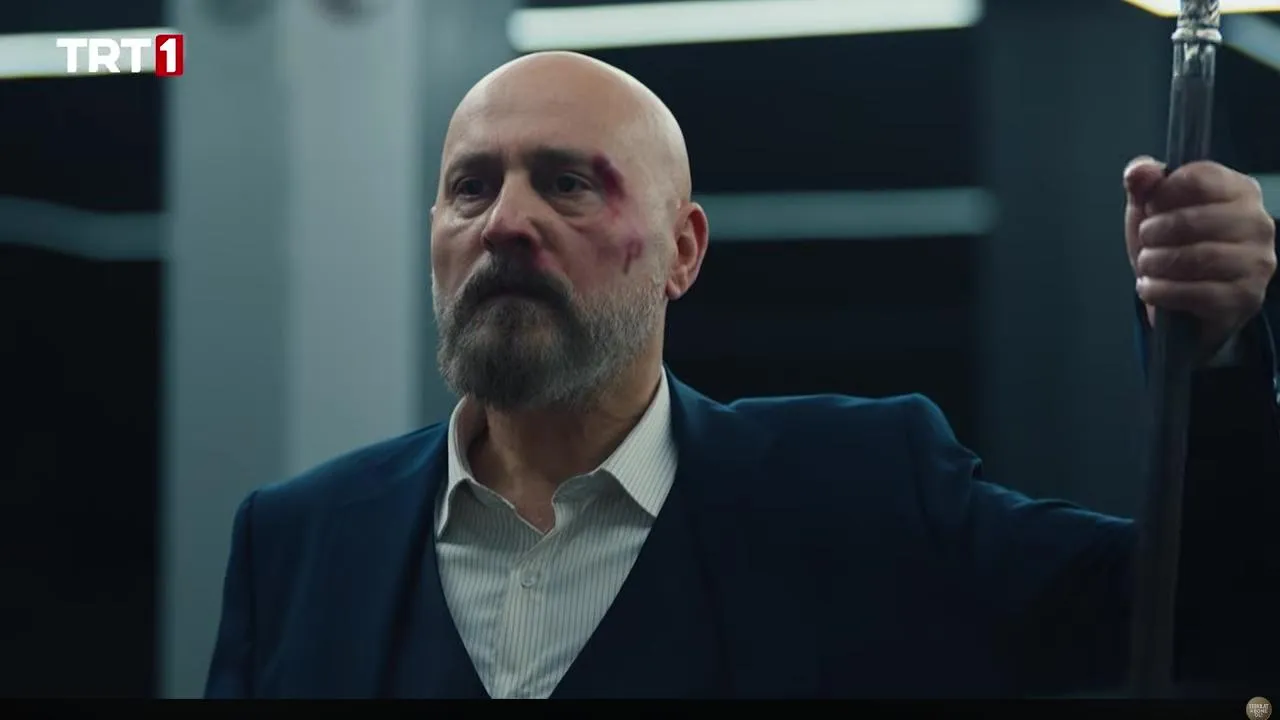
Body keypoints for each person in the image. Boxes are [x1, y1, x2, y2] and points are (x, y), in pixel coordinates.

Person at [204, 51, 1279, 699]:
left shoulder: (863, 498)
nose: (507, 224)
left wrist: (1216, 345)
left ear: (682, 252)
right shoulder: (299, 543)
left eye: (568, 184)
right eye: (470, 188)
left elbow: (1205, 612)